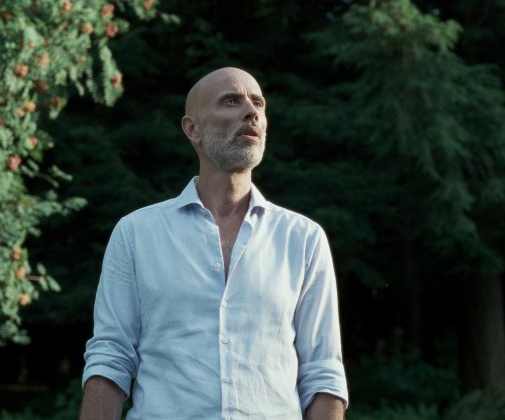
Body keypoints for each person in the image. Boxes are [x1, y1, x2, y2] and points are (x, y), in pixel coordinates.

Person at [80, 67, 348, 419]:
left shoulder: (303, 238)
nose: (251, 111)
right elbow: (110, 359)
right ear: (193, 129)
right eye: (231, 101)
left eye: (258, 103)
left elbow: (323, 372)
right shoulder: (136, 234)